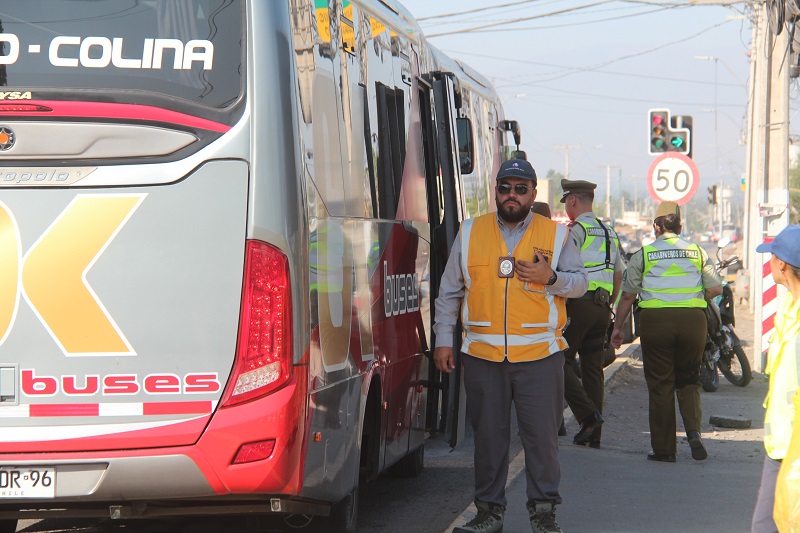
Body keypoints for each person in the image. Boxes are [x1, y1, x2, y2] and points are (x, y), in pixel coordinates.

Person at [433, 158, 588, 533]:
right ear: (496, 191)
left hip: (540, 356)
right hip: (484, 356)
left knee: (542, 440)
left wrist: (550, 277)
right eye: (505, 188)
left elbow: (581, 283)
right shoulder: (470, 232)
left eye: (521, 189)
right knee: (488, 440)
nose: (512, 195)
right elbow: (449, 292)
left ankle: (544, 514)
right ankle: (489, 514)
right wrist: (443, 340)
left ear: (533, 193)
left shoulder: (556, 235)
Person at [610, 201, 721, 462]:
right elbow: (716, 290)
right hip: (693, 320)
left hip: (656, 322)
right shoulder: (697, 252)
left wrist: (617, 328)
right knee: (689, 379)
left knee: (661, 384)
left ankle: (664, 449)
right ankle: (694, 432)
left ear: (656, 227)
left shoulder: (644, 254)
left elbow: (627, 296)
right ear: (680, 227)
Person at [560, 179, 624, 448]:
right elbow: (619, 273)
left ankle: (588, 417)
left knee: (556, 360)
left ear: (572, 200)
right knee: (592, 369)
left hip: (580, 303)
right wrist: (610, 302)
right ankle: (593, 436)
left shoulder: (577, 230)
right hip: (601, 307)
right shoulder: (609, 232)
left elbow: (562, 266)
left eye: (565, 203)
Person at [750, 225, 800, 532]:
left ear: (781, 264)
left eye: (771, 256)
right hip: (780, 445)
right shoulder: (789, 308)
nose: (769, 262)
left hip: (791, 451)